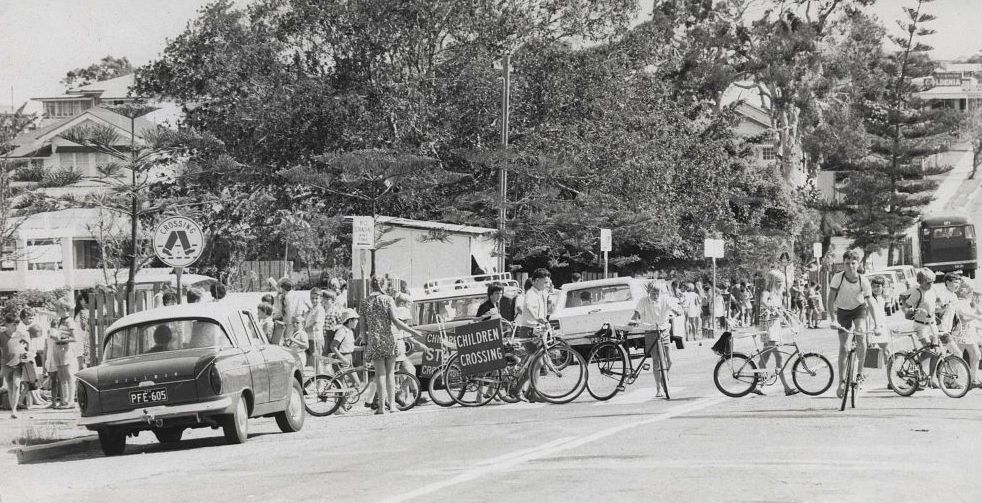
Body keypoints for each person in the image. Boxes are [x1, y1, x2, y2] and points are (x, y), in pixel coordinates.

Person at [361, 275, 430, 414]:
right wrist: (413, 332)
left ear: (371, 286)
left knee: (380, 374)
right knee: (390, 374)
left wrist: (365, 341)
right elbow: (396, 321)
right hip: (390, 339)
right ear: (384, 285)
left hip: (374, 341)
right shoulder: (388, 299)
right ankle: (392, 406)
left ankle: (381, 407)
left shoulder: (364, 302)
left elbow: (362, 327)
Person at [827, 250, 878, 398]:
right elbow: (830, 300)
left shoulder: (863, 280)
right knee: (843, 347)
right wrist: (833, 319)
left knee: (861, 333)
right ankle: (842, 381)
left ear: (858, 264)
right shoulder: (838, 278)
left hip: (858, 309)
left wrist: (877, 324)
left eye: (853, 263)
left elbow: (870, 303)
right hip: (842, 311)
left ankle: (860, 372)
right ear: (843, 264)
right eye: (847, 263)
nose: (850, 266)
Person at [630, 281, 681, 398]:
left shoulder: (665, 299)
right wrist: (633, 321)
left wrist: (677, 311)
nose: (656, 294)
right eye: (653, 292)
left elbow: (675, 308)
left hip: (664, 330)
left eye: (658, 292)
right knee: (655, 360)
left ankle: (665, 379)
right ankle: (659, 388)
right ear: (649, 292)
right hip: (650, 332)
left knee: (669, 359)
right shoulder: (643, 301)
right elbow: (636, 314)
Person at [757, 270, 797, 396]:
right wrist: (769, 306)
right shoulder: (767, 292)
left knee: (765, 357)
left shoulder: (778, 294)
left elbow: (780, 309)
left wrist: (788, 312)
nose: (781, 284)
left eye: (782, 281)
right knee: (779, 357)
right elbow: (762, 301)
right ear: (772, 281)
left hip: (774, 327)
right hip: (768, 328)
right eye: (778, 281)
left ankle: (757, 384)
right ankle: (786, 387)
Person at [3, 308, 40, 418]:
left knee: (16, 385)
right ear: (7, 324)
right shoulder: (2, 335)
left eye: (16, 325)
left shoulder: (20, 334)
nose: (15, 327)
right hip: (6, 364)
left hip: (18, 363)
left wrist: (27, 353)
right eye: (13, 325)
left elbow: (28, 346)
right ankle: (13, 409)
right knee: (10, 387)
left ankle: (14, 411)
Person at [49, 300, 81, 409]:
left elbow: (74, 338)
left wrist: (63, 339)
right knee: (61, 376)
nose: (56, 311)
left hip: (65, 349)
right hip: (57, 349)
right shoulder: (59, 321)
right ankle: (64, 401)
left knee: (68, 376)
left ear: (64, 309)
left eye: (58, 309)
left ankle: (71, 401)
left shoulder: (70, 321)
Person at [951, 283, 982, 387]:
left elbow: (977, 313)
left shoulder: (969, 302)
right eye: (970, 290)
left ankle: (974, 380)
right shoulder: (959, 302)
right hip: (961, 332)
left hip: (969, 332)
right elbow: (962, 320)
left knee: (976, 355)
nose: (971, 292)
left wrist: (977, 310)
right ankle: (950, 380)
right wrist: (976, 317)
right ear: (963, 290)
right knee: (958, 356)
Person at [304, 288, 326, 367]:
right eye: (312, 298)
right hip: (310, 338)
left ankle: (320, 379)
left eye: (316, 298)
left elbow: (315, 326)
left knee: (317, 364)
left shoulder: (320, 309)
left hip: (316, 339)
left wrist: (303, 331)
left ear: (321, 299)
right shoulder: (313, 309)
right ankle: (316, 378)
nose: (314, 300)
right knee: (312, 363)